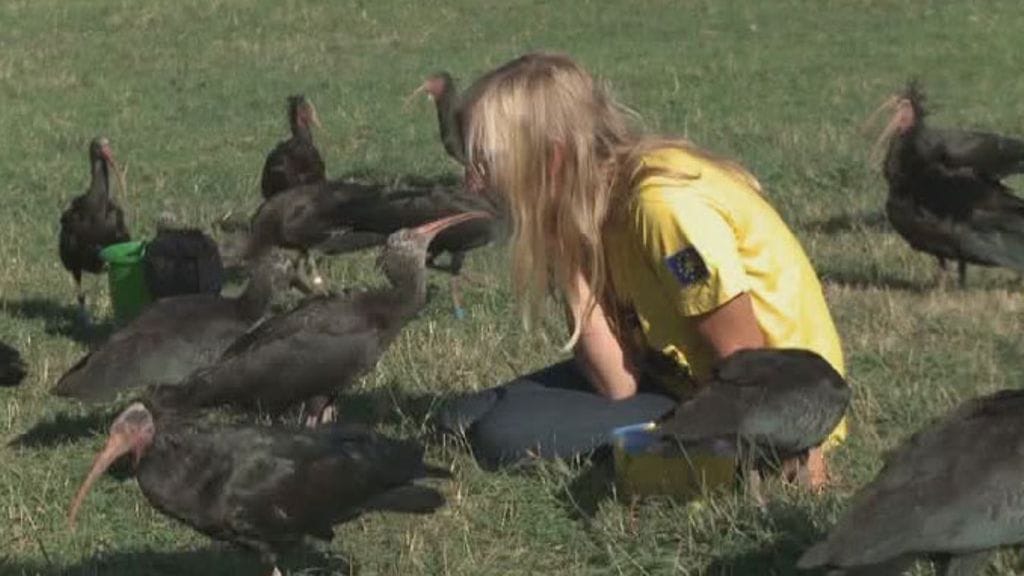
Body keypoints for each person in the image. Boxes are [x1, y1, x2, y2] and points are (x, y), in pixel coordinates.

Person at [438, 52, 846, 486]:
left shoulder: (661, 206)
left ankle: (725, 466)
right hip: (669, 378)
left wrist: (784, 449)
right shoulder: (591, 206)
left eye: (486, 162)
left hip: (760, 407)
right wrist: (559, 243)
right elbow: (617, 383)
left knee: (501, 435)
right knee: (458, 418)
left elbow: (748, 361)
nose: (473, 183)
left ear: (551, 160)